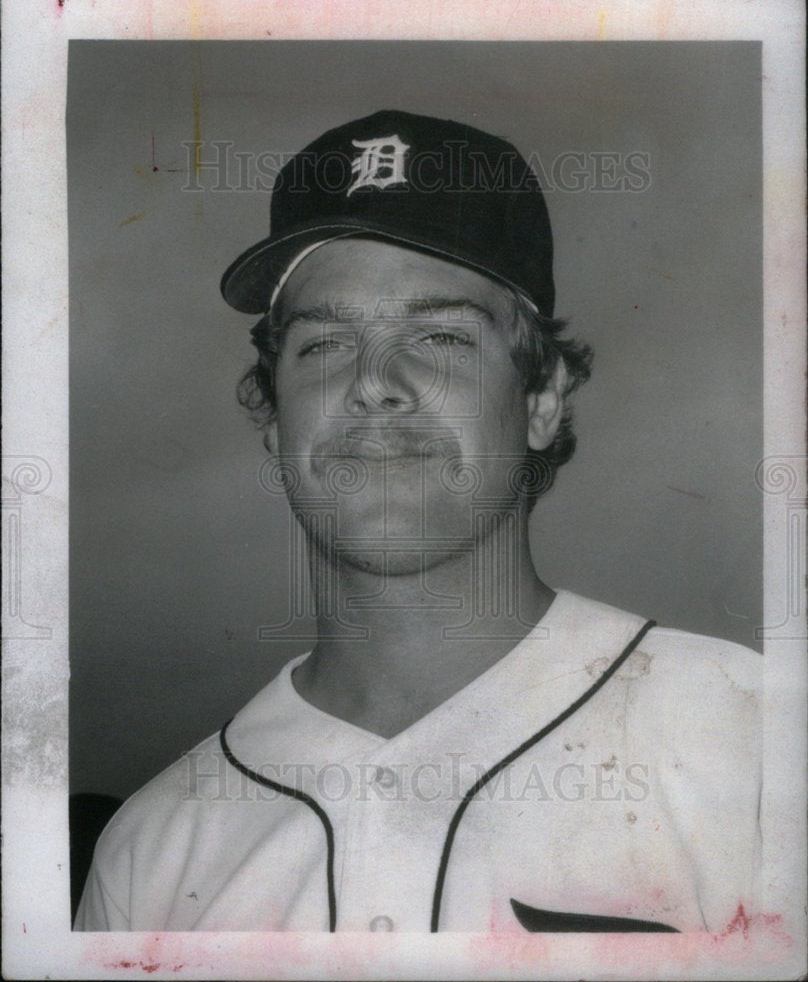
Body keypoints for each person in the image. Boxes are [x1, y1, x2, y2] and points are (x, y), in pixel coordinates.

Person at [75, 110, 761, 933]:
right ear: (272, 414)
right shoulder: (150, 854)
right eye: (324, 347)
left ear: (541, 400)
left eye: (438, 336)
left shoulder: (758, 742)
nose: (376, 383)